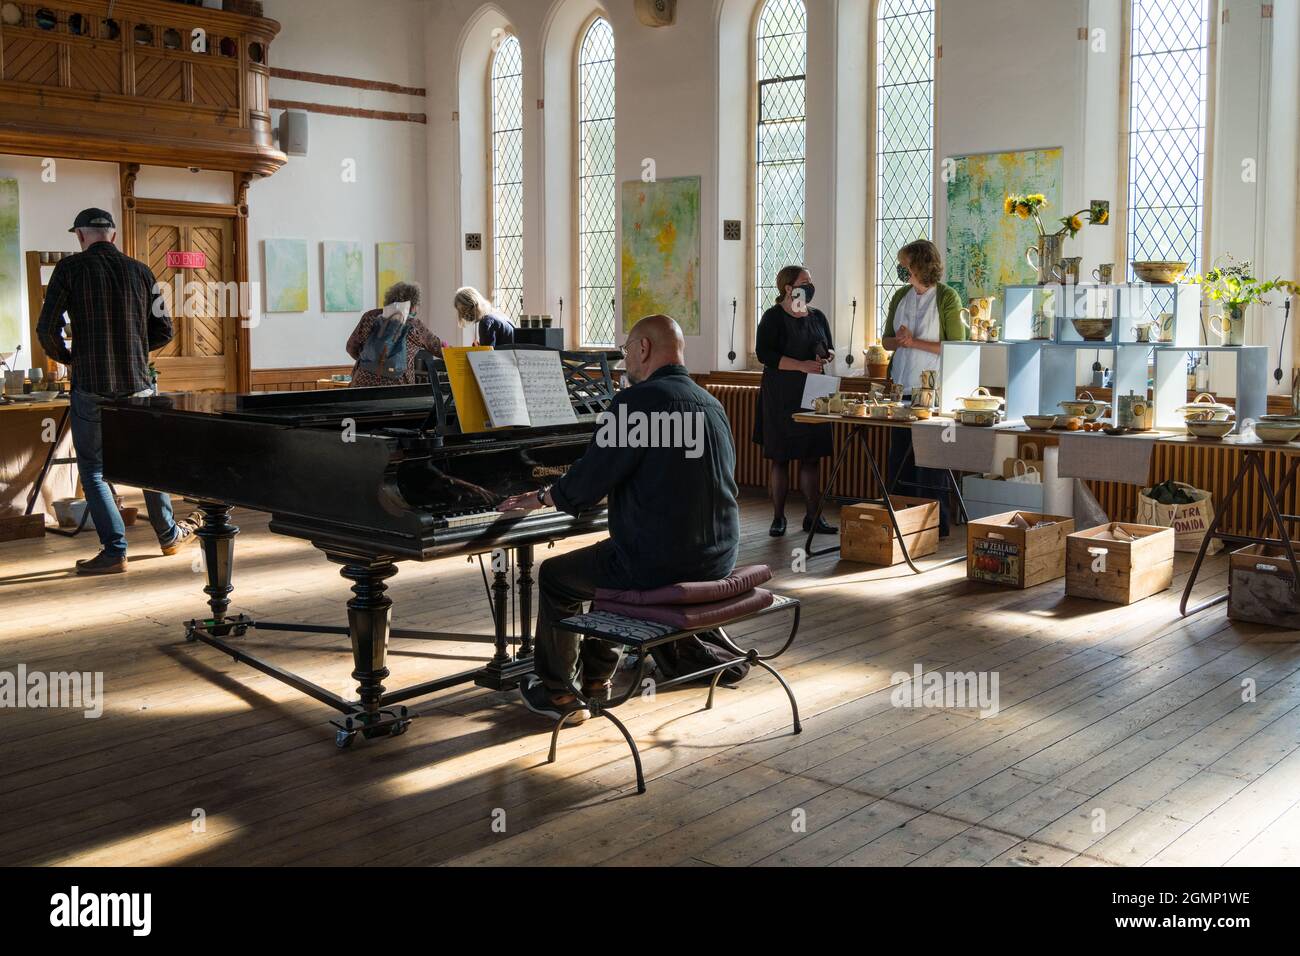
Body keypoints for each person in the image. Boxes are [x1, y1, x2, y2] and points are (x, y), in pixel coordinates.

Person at [497, 314, 740, 721]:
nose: (625, 358)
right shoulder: (711, 403)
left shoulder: (635, 403)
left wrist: (542, 496)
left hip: (661, 563)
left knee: (559, 576)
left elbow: (588, 482)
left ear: (643, 349)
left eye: (627, 349)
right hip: (718, 559)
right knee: (612, 560)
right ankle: (596, 681)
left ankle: (557, 694)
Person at [36, 208, 195, 576]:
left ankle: (114, 551)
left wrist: (70, 357)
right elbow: (165, 329)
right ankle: (169, 535)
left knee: (93, 470)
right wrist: (136, 350)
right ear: (113, 236)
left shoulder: (69, 270)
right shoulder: (141, 271)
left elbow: (47, 329)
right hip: (138, 384)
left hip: (91, 385)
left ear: (80, 236)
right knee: (150, 465)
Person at [881, 238, 966, 535]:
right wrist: (899, 340)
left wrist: (914, 341)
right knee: (899, 454)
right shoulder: (900, 297)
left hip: (933, 391)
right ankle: (900, 519)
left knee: (930, 458)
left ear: (920, 266)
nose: (903, 271)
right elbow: (886, 341)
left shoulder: (947, 297)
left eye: (906, 266)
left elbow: (956, 345)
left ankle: (934, 523)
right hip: (902, 385)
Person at [753, 265, 836, 538]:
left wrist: (826, 356)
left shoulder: (817, 316)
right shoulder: (773, 317)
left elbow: (829, 347)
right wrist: (800, 365)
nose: (810, 286)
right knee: (780, 458)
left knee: (811, 457)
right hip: (781, 395)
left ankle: (814, 516)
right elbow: (765, 354)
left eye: (810, 281)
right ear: (788, 288)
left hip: (813, 393)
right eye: (804, 282)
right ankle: (778, 518)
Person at [345, 282, 440, 387]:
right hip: (398, 388)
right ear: (412, 305)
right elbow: (438, 347)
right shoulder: (414, 325)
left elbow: (350, 347)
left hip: (362, 384)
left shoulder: (370, 317)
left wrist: (373, 361)